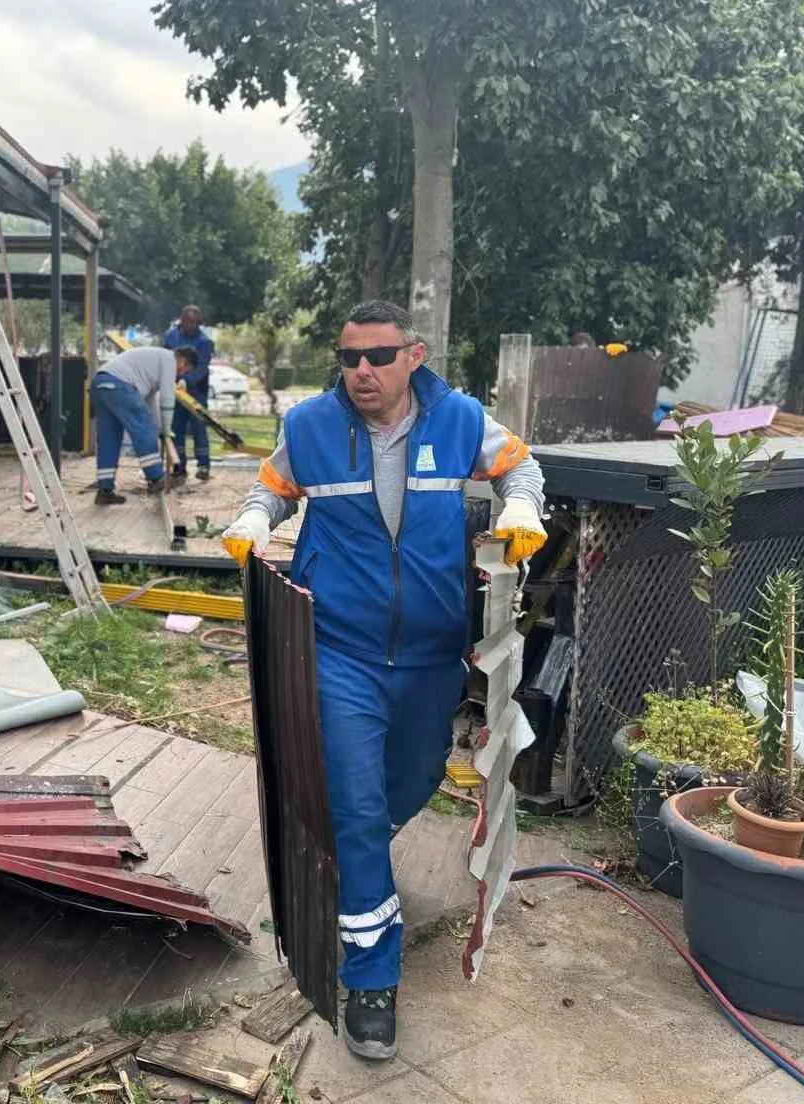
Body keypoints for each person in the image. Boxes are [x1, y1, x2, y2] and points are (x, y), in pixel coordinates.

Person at [219, 301, 548, 1062]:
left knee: (417, 775)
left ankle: (346, 856)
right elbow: (271, 487)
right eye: (349, 358)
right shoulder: (310, 426)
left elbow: (520, 465)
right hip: (342, 649)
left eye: (378, 356)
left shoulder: (460, 420)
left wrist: (522, 503)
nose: (361, 371)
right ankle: (371, 975)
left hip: (432, 652)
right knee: (361, 804)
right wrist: (254, 520)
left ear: (414, 356)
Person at [91, 344, 197, 505]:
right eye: (185, 370)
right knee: (144, 429)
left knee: (109, 439)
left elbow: (150, 404)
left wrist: (161, 428)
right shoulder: (169, 360)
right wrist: (166, 429)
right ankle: (156, 478)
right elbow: (167, 398)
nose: (182, 374)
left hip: (100, 383)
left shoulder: (152, 364)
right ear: (182, 361)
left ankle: (104, 490)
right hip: (120, 384)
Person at [163, 305, 214, 481]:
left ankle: (203, 466)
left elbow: (202, 367)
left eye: (195, 323)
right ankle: (179, 467)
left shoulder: (204, 342)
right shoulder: (171, 336)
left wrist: (187, 380)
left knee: (199, 428)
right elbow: (165, 359)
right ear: (182, 320)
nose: (192, 326)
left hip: (196, 391)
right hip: (175, 390)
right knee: (176, 429)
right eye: (189, 322)